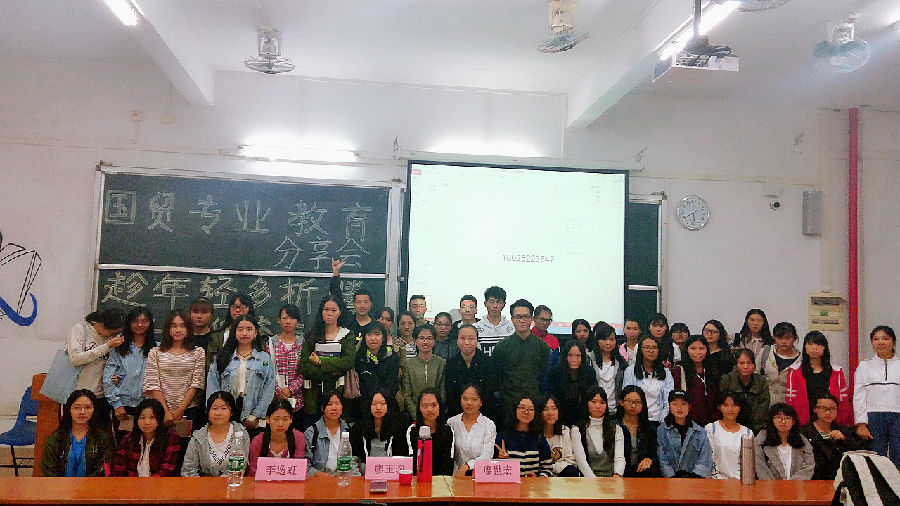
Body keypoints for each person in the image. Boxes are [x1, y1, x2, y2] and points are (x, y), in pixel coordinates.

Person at [207, 315, 277, 431]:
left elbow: (268, 389)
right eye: (240, 329)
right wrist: (217, 410)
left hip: (253, 416)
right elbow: (212, 386)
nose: (244, 333)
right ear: (234, 332)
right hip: (225, 413)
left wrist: (255, 415)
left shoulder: (264, 358)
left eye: (249, 329)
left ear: (255, 333)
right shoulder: (222, 357)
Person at [297, 294, 355, 426]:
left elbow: (347, 362)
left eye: (333, 310)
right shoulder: (312, 334)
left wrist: (320, 361)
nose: (329, 314)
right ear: (321, 312)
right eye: (326, 310)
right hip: (313, 394)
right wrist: (332, 372)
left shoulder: (347, 335)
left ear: (340, 312)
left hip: (338, 393)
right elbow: (304, 365)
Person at [143, 309, 206, 429]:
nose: (178, 330)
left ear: (188, 329)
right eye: (174, 326)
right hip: (158, 409)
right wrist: (166, 411)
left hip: (188, 409)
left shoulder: (198, 352)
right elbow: (152, 384)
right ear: (168, 329)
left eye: (182, 326)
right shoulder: (155, 352)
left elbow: (196, 383)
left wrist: (180, 410)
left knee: (184, 440)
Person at [492, 299, 551, 423]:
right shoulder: (502, 347)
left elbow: (541, 375)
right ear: (512, 320)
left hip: (533, 404)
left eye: (525, 316)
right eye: (518, 317)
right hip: (508, 405)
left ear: (532, 319)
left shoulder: (542, 347)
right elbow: (498, 377)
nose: (522, 320)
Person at [853, 325, 900, 468]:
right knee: (876, 459)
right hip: (873, 417)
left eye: (885, 338)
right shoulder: (864, 366)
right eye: (876, 339)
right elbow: (859, 396)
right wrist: (861, 423)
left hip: (897, 416)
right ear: (872, 343)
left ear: (893, 342)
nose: (880, 342)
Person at [67, 308, 126, 423]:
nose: (115, 336)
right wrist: (106, 346)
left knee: (99, 431)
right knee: (77, 429)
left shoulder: (114, 339)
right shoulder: (80, 330)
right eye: (113, 333)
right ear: (102, 325)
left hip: (101, 396)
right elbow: (75, 359)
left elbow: (113, 364)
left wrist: (115, 376)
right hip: (78, 394)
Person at [104, 307, 154, 435]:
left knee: (146, 442)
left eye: (144, 321)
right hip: (122, 405)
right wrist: (116, 404)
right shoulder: (119, 347)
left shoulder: (156, 349)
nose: (140, 325)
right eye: (135, 321)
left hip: (148, 407)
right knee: (123, 443)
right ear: (129, 323)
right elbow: (108, 377)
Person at [785, 330, 851, 427]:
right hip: (803, 424)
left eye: (819, 345)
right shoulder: (794, 371)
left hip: (831, 423)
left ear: (825, 348)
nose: (814, 348)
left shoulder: (837, 371)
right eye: (810, 344)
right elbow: (790, 401)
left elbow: (843, 402)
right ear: (805, 347)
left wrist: (840, 423)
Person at [41, 389, 114, 477]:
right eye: (76, 408)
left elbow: (105, 470)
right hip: (60, 485)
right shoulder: (55, 439)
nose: (82, 412)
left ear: (94, 410)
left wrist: (86, 484)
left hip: (93, 485)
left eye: (87, 407)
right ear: (69, 410)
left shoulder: (102, 438)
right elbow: (49, 471)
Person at [181, 391, 251, 476]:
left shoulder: (241, 434)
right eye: (214, 408)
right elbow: (188, 469)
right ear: (208, 412)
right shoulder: (198, 437)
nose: (218, 413)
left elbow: (240, 467)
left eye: (223, 408)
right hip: (202, 483)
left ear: (231, 412)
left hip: (232, 482)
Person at [803, 394, 868, 480]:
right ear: (815, 409)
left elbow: (859, 452)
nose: (828, 413)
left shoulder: (843, 430)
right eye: (823, 408)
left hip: (840, 479)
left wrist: (844, 439)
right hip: (814, 479)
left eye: (832, 409)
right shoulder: (805, 433)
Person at [110, 398, 181, 476]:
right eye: (142, 418)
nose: (147, 422)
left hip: (160, 483)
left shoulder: (171, 439)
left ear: (160, 419)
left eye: (152, 417)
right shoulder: (128, 439)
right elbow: (119, 469)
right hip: (132, 482)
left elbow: (167, 470)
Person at [657, 390, 714, 478]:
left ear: (689, 407)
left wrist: (693, 478)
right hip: (669, 481)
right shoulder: (661, 430)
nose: (679, 408)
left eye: (683, 404)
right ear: (669, 407)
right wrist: (672, 478)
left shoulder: (700, 432)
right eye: (675, 404)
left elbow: (705, 458)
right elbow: (662, 459)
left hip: (695, 481)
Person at [445, 324, 497, 419]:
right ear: (457, 340)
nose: (467, 342)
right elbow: (450, 393)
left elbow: (489, 392)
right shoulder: (451, 364)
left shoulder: (488, 362)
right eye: (462, 338)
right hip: (457, 414)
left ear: (477, 340)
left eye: (471, 338)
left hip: (484, 414)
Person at [266, 304, 305, 429]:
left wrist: (290, 389)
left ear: (297, 321)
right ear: (279, 320)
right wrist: (278, 390)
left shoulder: (303, 344)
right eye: (284, 318)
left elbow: (305, 371)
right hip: (275, 399)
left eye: (292, 318)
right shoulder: (271, 343)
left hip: (296, 400)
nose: (288, 321)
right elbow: (268, 371)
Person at [572, 386, 625, 477]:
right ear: (586, 403)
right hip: (588, 479)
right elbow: (581, 461)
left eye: (602, 402)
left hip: (612, 478)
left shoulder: (616, 429)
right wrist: (595, 482)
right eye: (593, 402)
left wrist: (617, 475)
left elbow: (619, 458)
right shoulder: (577, 430)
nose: (598, 406)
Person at [350, 391, 409, 472]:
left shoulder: (398, 428)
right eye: (374, 404)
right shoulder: (359, 428)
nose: (378, 407)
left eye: (383, 404)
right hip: (365, 474)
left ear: (388, 405)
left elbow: (402, 457)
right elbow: (354, 456)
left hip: (390, 473)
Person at [494, 395, 553, 477]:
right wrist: (500, 461)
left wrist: (538, 478)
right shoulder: (503, 436)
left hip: (533, 484)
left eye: (530, 409)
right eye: (522, 408)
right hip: (510, 483)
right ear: (514, 410)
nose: (526, 412)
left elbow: (548, 469)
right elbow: (492, 470)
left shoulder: (539, 437)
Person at [754, 403, 814, 480]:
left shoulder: (802, 441)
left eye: (787, 418)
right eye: (778, 417)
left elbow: (808, 466)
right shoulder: (761, 441)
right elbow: (760, 468)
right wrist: (775, 486)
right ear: (772, 420)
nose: (783, 421)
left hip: (797, 486)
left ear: (793, 421)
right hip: (769, 486)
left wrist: (791, 484)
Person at [622, 336, 674, 425]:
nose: (651, 351)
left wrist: (663, 422)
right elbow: (628, 398)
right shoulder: (630, 371)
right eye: (647, 347)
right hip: (636, 420)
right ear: (640, 350)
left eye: (654, 348)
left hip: (660, 420)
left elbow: (668, 399)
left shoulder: (666, 372)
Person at [304, 389, 357, 476]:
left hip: (345, 477)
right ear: (322, 408)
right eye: (329, 404)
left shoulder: (349, 429)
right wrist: (327, 478)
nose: (334, 408)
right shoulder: (311, 433)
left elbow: (355, 460)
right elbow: (306, 466)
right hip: (321, 479)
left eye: (337, 404)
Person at [448, 384, 497, 477]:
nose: (469, 403)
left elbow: (487, 455)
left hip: (479, 476)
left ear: (481, 402)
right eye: (465, 399)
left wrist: (467, 466)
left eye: (474, 399)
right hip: (455, 476)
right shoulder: (452, 422)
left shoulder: (488, 425)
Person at [248, 398, 306, 475]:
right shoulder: (258, 442)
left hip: (290, 481)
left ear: (291, 420)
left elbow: (299, 469)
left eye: (285, 419)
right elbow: (254, 471)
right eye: (276, 419)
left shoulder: (298, 438)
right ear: (268, 419)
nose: (280, 424)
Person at [673, 335, 720, 427]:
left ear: (707, 350)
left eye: (701, 348)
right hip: (688, 423)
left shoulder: (712, 370)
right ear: (686, 350)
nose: (697, 352)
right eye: (693, 348)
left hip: (712, 424)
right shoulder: (679, 371)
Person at [719, 348, 770, 433]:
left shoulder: (761, 381)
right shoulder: (726, 380)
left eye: (749, 363)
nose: (745, 367)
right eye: (742, 363)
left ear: (754, 365)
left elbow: (763, 407)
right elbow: (722, 405)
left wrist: (752, 428)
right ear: (736, 365)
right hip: (731, 425)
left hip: (756, 427)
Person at [705, 393, 754, 479]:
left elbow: (748, 463)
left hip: (740, 481)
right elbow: (707, 458)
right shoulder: (711, 429)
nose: (730, 409)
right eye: (726, 405)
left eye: (734, 405)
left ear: (740, 408)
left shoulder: (748, 433)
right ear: (719, 407)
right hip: (715, 480)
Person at [407, 388, 455, 476]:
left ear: (440, 407)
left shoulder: (448, 431)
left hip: (441, 480)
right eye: (425, 406)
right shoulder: (412, 431)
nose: (429, 409)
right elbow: (411, 461)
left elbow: (448, 462)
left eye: (434, 405)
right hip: (417, 479)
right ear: (419, 408)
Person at [548, 341, 597, 426]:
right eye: (570, 355)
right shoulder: (556, 372)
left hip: (583, 416)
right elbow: (551, 396)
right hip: (560, 417)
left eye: (578, 356)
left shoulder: (589, 372)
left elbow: (592, 396)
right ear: (565, 356)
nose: (574, 360)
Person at [616, 385, 661, 477]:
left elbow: (655, 453)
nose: (633, 405)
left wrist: (650, 460)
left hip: (643, 473)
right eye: (629, 401)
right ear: (621, 402)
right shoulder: (614, 426)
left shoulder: (649, 428)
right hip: (620, 473)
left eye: (637, 402)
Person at [403, 324, 447, 417]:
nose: (425, 341)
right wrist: (417, 415)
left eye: (429, 338)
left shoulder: (441, 363)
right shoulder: (409, 364)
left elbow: (442, 391)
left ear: (434, 341)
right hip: (415, 413)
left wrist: (436, 411)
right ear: (415, 340)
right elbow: (407, 394)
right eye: (421, 338)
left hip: (436, 413)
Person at [206, 292, 258, 371]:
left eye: (242, 307)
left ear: (249, 309)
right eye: (234, 306)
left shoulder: (260, 335)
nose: (237, 310)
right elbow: (210, 364)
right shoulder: (217, 336)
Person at [355, 321, 401, 403]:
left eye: (377, 334)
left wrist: (379, 400)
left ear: (383, 337)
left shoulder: (392, 356)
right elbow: (361, 386)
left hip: (387, 402)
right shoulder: (359, 358)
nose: (373, 338)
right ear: (364, 338)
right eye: (369, 334)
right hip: (365, 402)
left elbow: (392, 383)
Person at [588, 321, 627, 416]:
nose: (608, 343)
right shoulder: (588, 359)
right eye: (604, 339)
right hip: (594, 411)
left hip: (615, 411)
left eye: (612, 339)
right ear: (597, 340)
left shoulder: (621, 362)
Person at [758, 321, 801, 404]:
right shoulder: (766, 352)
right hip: (765, 403)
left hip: (790, 404)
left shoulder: (801, 360)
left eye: (788, 338)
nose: (783, 342)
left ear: (795, 338)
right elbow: (755, 374)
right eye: (779, 338)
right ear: (774, 338)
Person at [330, 258, 373, 339]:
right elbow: (336, 298)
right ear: (353, 303)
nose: (362, 305)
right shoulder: (347, 321)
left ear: (371, 304)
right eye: (358, 302)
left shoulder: (375, 325)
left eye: (366, 302)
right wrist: (335, 274)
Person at [538, 395, 579, 476]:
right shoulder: (535, 434)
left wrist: (551, 468)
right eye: (546, 409)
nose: (550, 413)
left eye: (554, 409)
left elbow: (571, 461)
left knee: (572, 471)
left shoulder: (565, 431)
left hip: (562, 475)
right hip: (540, 476)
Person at [472, 286, 515, 357]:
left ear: (504, 304)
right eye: (491, 302)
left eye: (498, 302)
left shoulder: (512, 327)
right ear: (485, 303)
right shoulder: (475, 328)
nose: (495, 306)